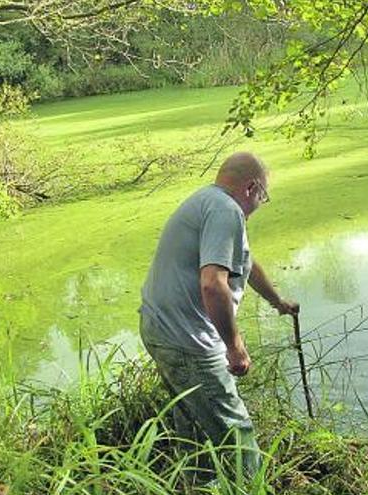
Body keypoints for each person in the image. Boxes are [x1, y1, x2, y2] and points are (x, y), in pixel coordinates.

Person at [139, 151, 299, 480]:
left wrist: (277, 301)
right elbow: (213, 284)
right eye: (263, 197)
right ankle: (250, 488)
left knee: (195, 430)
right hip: (188, 340)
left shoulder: (207, 201)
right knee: (236, 432)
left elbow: (248, 264)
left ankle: (200, 485)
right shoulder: (226, 210)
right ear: (252, 187)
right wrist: (234, 345)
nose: (260, 204)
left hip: (161, 331)